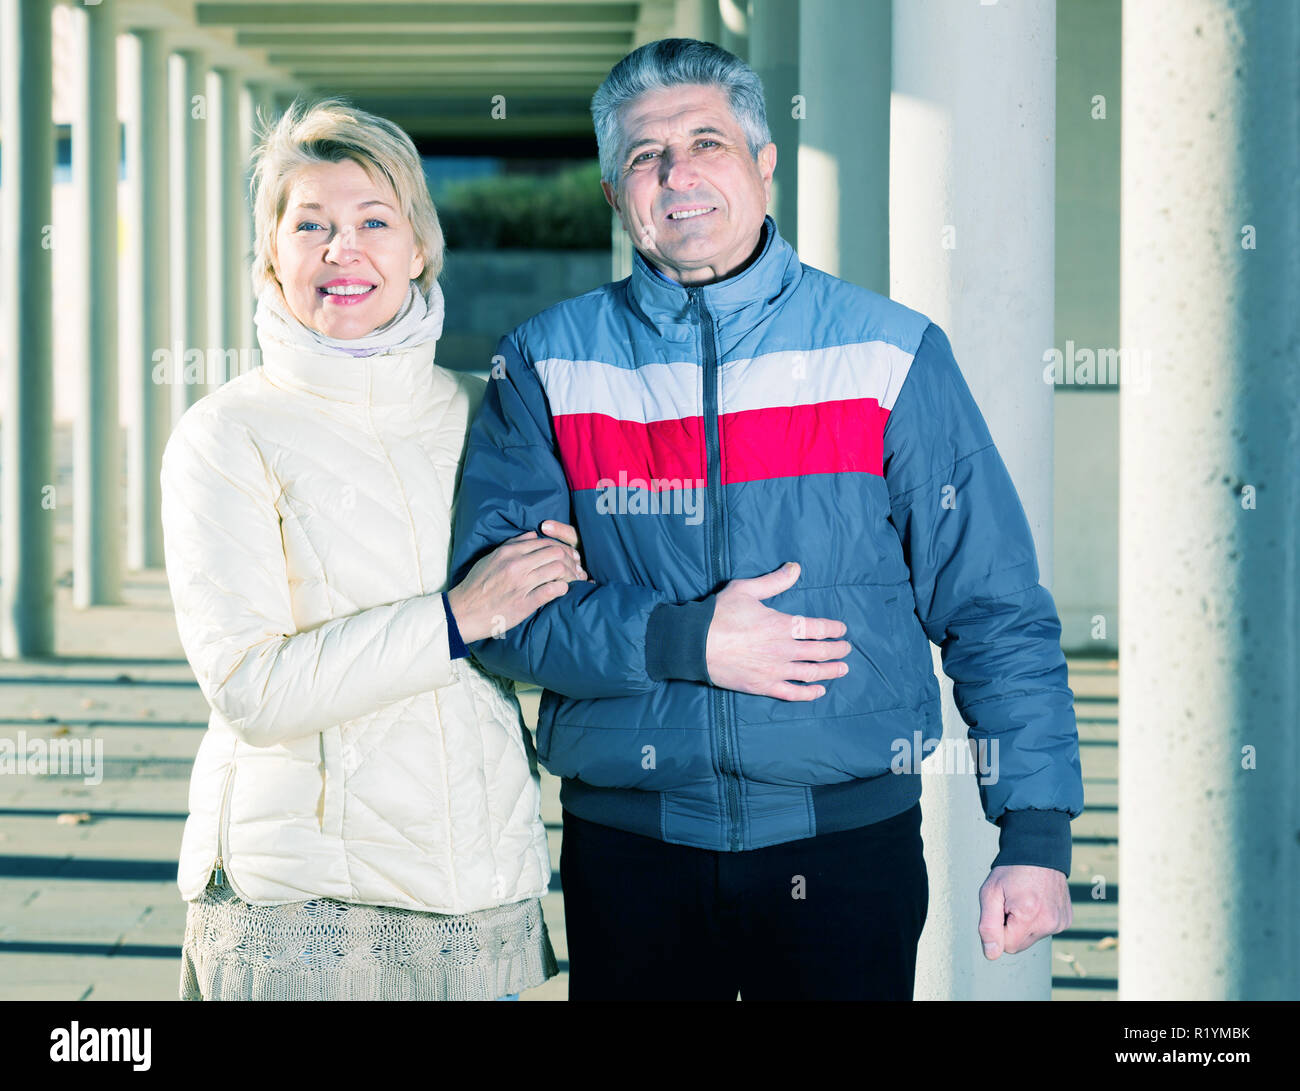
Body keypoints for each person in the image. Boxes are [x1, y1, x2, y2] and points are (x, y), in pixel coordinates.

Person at [450, 39, 1085, 1001]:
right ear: (618, 195)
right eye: (643, 156)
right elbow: (506, 615)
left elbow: (993, 602)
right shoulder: (544, 364)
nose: (678, 174)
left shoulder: (890, 353)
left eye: (706, 141)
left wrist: (1034, 831)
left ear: (763, 160)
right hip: (630, 854)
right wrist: (685, 639)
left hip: (845, 852)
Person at [161, 98, 585, 1001]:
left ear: (419, 248)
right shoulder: (225, 434)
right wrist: (458, 616)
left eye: (372, 222)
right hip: (306, 906)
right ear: (270, 254)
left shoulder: (487, 416)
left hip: (476, 890)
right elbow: (253, 688)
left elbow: (544, 635)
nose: (339, 250)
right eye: (309, 223)